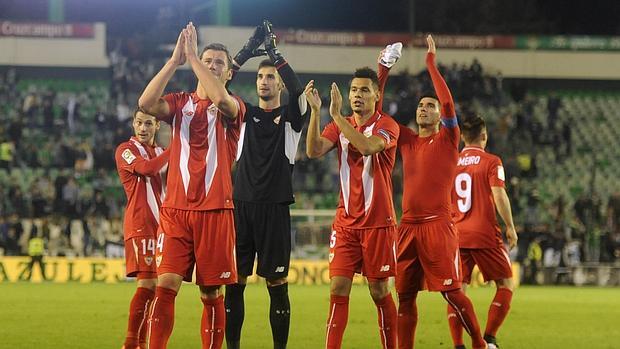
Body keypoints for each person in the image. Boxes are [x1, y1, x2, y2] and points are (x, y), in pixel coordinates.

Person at [138, 23, 245, 349]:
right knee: (166, 284)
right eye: (207, 60)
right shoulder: (179, 103)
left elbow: (219, 100)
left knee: (210, 292)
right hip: (176, 211)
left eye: (219, 63)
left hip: (215, 211)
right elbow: (145, 103)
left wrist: (194, 58)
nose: (211, 66)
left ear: (228, 74)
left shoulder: (235, 107)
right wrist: (174, 62)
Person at [305, 43, 402, 349]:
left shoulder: (387, 126)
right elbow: (313, 150)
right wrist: (318, 112)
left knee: (378, 291)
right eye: (353, 90)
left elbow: (368, 147)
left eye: (364, 90)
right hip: (345, 225)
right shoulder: (338, 123)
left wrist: (337, 116)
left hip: (378, 224)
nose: (357, 95)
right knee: (338, 288)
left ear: (377, 96)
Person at [395, 35, 487, 349]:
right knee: (404, 297)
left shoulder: (449, 139)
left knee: (452, 291)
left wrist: (430, 64)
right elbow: (378, 113)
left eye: (429, 106)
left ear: (438, 115)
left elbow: (447, 102)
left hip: (438, 226)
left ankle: (477, 343)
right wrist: (382, 70)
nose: (424, 109)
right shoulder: (406, 140)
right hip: (406, 227)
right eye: (421, 105)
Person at [224, 21, 306, 349]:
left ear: (279, 84)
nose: (264, 81)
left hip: (274, 208)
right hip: (241, 206)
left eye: (270, 76)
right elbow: (218, 87)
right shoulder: (242, 114)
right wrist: (244, 53)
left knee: (277, 283)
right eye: (260, 76)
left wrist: (274, 52)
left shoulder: (290, 119)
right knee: (235, 283)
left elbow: (299, 92)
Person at [448, 115, 517, 349]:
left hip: (456, 235)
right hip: (485, 234)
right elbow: (499, 194)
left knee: (457, 291)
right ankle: (489, 339)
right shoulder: (492, 161)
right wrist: (510, 226)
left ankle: (458, 345)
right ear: (484, 136)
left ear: (464, 138)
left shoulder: (452, 161)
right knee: (506, 284)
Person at [115, 108, 170, 349]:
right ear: (133, 124)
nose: (143, 128)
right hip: (141, 224)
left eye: (149, 123)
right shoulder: (125, 150)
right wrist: (175, 150)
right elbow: (146, 169)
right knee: (147, 285)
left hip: (161, 227)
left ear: (157, 126)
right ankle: (131, 343)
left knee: (158, 289)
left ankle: (141, 342)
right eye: (139, 123)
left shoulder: (159, 151)